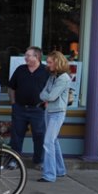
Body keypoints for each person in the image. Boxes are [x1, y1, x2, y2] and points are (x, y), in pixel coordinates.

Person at [8, 46, 48, 167]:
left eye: (28, 55)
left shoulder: (46, 70)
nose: (25, 58)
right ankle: (14, 160)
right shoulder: (21, 69)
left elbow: (53, 89)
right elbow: (11, 87)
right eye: (25, 55)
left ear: (37, 57)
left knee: (39, 136)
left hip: (38, 110)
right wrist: (13, 103)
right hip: (20, 108)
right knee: (16, 136)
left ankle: (38, 161)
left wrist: (47, 102)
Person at [38, 50, 71, 182]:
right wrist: (46, 96)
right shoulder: (53, 76)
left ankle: (49, 175)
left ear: (57, 62)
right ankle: (60, 170)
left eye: (50, 62)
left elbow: (50, 96)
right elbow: (42, 93)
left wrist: (46, 96)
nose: (48, 65)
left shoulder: (63, 78)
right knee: (53, 141)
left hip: (57, 113)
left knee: (48, 142)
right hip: (49, 111)